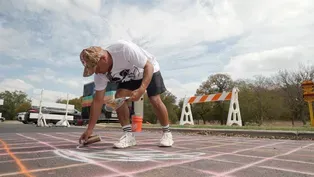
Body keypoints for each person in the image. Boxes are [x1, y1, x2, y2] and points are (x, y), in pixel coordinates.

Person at [78, 40, 174, 148]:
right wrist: (89, 130)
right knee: (119, 97)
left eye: (97, 68)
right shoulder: (100, 75)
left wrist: (142, 89)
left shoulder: (124, 49)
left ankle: (167, 133)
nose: (96, 72)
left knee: (154, 99)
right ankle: (129, 136)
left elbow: (148, 66)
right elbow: (98, 101)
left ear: (103, 59)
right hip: (129, 76)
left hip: (147, 69)